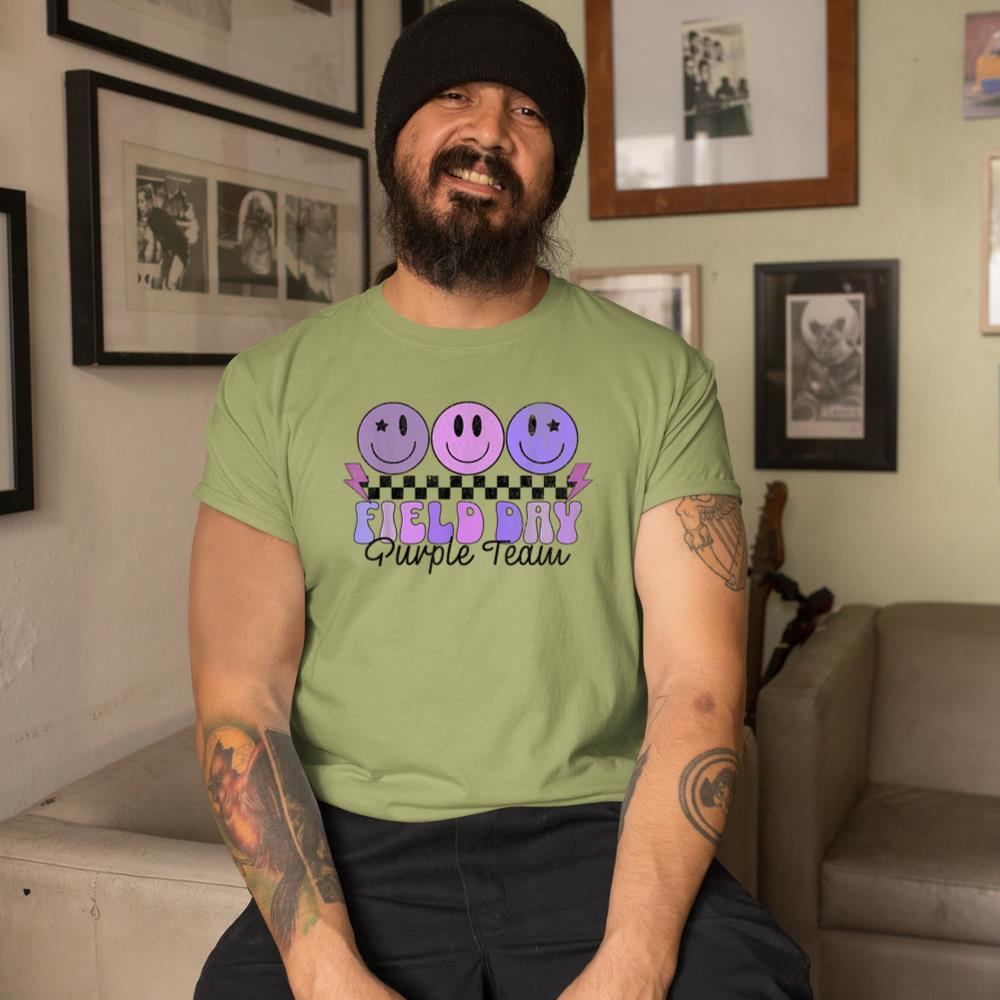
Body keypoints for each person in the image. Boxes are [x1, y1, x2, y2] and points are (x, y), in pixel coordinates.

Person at [188, 2, 813, 998]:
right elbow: (240, 699)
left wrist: (635, 960)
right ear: (395, 138)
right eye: (454, 97)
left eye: (527, 111)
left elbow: (696, 685)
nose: (488, 132)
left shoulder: (661, 378)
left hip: (595, 832)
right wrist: (321, 966)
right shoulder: (271, 387)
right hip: (356, 845)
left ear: (555, 169)